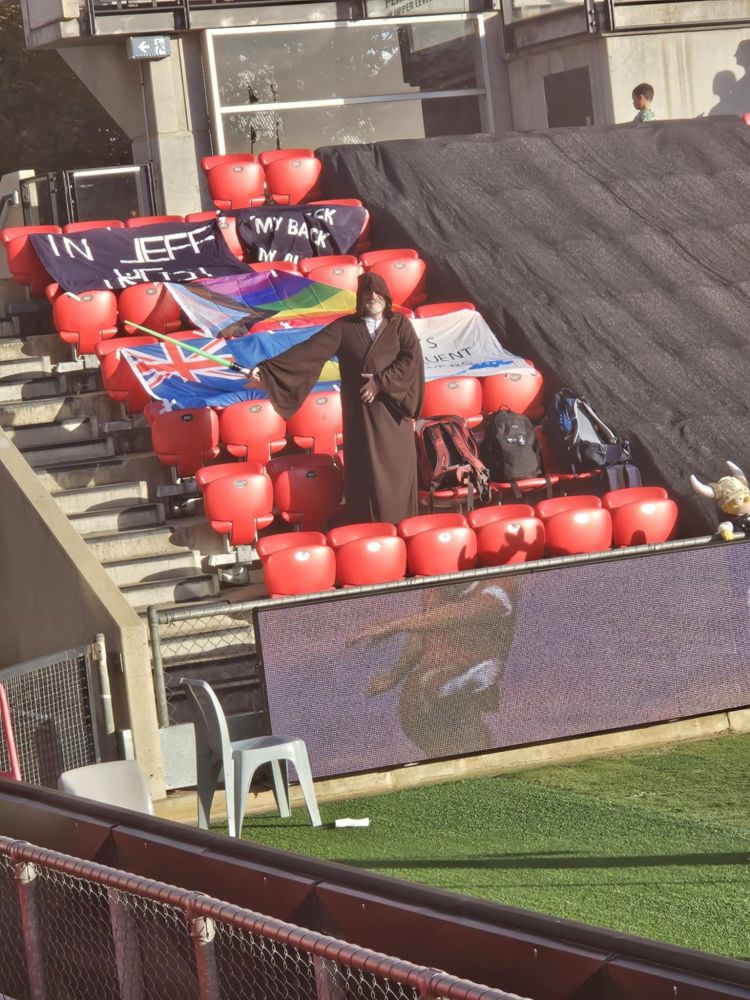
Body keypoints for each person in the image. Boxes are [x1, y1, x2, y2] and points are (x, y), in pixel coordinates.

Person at [252, 272, 424, 524]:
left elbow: (411, 361)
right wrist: (267, 371)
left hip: (393, 419)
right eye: (367, 293)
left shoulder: (400, 324)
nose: (372, 298)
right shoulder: (345, 327)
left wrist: (380, 381)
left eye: (377, 293)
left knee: (396, 483)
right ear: (360, 298)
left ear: (386, 297)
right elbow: (310, 350)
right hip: (361, 421)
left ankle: (400, 543)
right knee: (365, 481)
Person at [351, 578, 516, 757]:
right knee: (421, 716)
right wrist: (394, 676)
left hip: (476, 667)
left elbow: (461, 613)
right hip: (434, 677)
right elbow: (423, 634)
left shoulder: (498, 584)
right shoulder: (436, 588)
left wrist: (396, 625)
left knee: (457, 711)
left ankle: (483, 758)